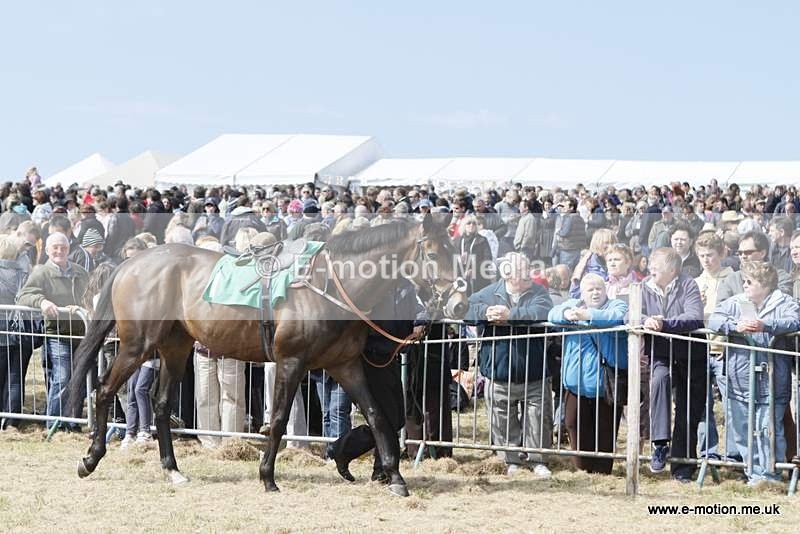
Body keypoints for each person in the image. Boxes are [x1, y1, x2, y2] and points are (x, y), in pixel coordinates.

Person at [709, 261, 800, 483]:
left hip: (773, 380)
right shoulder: (736, 302)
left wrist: (765, 325)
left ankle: (770, 474)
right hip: (740, 379)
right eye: (745, 281)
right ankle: (753, 472)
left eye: (750, 281)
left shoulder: (784, 302)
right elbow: (714, 318)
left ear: (765, 284)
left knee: (768, 428)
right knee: (742, 429)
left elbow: (794, 321)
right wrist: (734, 326)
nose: (745, 285)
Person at [465, 252, 554, 476]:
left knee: (537, 418)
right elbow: (466, 310)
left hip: (533, 371)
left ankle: (537, 459)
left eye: (528, 268)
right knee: (502, 417)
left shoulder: (539, 292)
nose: (528, 273)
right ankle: (509, 459)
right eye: (522, 269)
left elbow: (542, 311)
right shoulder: (488, 293)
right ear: (507, 273)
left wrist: (511, 315)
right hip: (498, 371)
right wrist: (485, 313)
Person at [331, 279, 427, 482]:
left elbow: (419, 308)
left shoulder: (406, 286)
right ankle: (380, 470)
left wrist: (420, 323)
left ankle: (343, 449)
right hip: (369, 357)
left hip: (391, 355)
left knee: (396, 418)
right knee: (386, 418)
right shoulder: (370, 286)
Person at [548, 274, 628, 474]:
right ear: (582, 292)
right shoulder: (573, 304)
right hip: (576, 383)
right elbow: (553, 314)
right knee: (573, 424)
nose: (595, 293)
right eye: (590, 289)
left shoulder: (616, 305)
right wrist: (567, 313)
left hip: (606, 385)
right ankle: (582, 469)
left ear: (606, 290)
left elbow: (616, 317)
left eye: (599, 289)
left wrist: (587, 316)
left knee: (605, 430)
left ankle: (602, 472)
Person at [641, 248, 705, 481]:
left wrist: (665, 323)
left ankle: (683, 467)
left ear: (672, 270)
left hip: (691, 355)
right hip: (661, 353)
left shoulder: (688, 285)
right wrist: (645, 320)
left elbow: (694, 316)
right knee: (659, 381)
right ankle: (659, 443)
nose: (651, 271)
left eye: (656, 267)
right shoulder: (644, 287)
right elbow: (632, 313)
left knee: (688, 410)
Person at [16, 232, 89, 431]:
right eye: (55, 247)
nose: (59, 251)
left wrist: (81, 307)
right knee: (61, 378)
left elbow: (90, 296)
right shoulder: (41, 272)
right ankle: (54, 424)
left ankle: (74, 423)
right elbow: (25, 296)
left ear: (69, 249)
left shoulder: (80, 272)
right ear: (47, 250)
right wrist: (42, 301)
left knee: (79, 379)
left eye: (63, 247)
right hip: (57, 334)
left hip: (82, 335)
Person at [0, 236, 36, 430]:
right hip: (20, 330)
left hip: (3, 331)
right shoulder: (23, 272)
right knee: (15, 377)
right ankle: (12, 418)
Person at [716, 231, 793, 301]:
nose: (743, 256)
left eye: (748, 252)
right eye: (740, 253)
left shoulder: (781, 277)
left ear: (762, 253)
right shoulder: (731, 280)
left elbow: (783, 300)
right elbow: (721, 309)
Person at [568, 228, 617, 298]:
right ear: (597, 244)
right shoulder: (587, 266)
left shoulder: (619, 262)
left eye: (613, 243)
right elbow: (575, 293)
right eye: (607, 243)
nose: (611, 246)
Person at [455, 214, 494, 295]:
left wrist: (474, 270)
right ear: (463, 226)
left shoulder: (482, 240)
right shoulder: (457, 241)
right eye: (468, 223)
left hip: (479, 277)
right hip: (461, 277)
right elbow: (451, 259)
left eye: (474, 223)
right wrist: (458, 260)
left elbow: (488, 258)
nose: (471, 225)